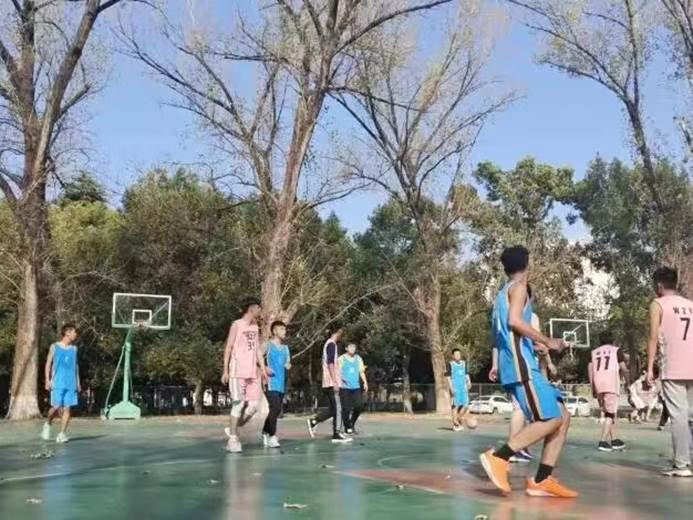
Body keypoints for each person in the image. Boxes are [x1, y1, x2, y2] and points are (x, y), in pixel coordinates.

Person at [480, 245, 576, 498]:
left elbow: (503, 335)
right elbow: (514, 321)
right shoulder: (519, 287)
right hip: (521, 365)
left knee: (563, 415)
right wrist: (548, 341)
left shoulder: (502, 294)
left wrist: (532, 345)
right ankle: (499, 457)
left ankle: (542, 479)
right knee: (551, 419)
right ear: (527, 263)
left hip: (518, 361)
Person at [645, 267, 693, 477]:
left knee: (679, 416)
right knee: (690, 415)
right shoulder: (690, 304)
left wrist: (649, 368)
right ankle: (685, 459)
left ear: (658, 285)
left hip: (673, 366)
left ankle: (682, 464)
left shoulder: (658, 304)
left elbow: (653, 337)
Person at [488, 309, 553, 463]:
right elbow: (537, 342)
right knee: (522, 408)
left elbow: (497, 343)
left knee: (522, 407)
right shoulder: (530, 316)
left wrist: (495, 365)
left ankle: (520, 447)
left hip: (506, 364)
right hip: (523, 364)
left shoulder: (499, 315)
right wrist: (548, 354)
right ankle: (512, 450)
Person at [222, 298, 269, 454]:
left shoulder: (255, 327)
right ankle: (233, 439)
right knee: (239, 404)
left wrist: (263, 368)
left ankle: (233, 428)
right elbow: (228, 347)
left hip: (252, 372)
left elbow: (257, 350)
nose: (260, 311)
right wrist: (225, 370)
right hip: (237, 371)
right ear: (251, 308)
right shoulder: (237, 325)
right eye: (258, 308)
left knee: (254, 406)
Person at [307, 325, 352, 443]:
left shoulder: (329, 344)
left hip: (328, 382)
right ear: (337, 331)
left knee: (332, 409)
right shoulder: (331, 344)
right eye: (341, 331)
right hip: (331, 382)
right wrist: (335, 381)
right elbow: (330, 363)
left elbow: (333, 365)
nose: (342, 334)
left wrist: (341, 378)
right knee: (338, 408)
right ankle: (336, 434)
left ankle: (314, 421)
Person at [588, 331, 628, 452]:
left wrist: (592, 387)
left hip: (598, 383)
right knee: (610, 414)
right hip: (611, 383)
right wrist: (628, 380)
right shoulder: (616, 350)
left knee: (607, 413)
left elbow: (590, 369)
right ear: (613, 340)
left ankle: (614, 439)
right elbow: (623, 368)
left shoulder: (594, 352)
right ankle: (602, 441)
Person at [41, 324, 80, 443]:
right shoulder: (54, 346)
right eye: (74, 332)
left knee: (67, 409)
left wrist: (78, 382)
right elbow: (48, 364)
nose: (76, 334)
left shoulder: (74, 349)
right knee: (56, 406)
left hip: (71, 383)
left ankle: (62, 434)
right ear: (67, 333)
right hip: (57, 382)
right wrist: (47, 380)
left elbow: (76, 366)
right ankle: (48, 423)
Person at [262, 320, 291, 449]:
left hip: (281, 383)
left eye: (285, 329)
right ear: (274, 331)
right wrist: (264, 368)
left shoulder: (285, 348)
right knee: (274, 407)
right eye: (282, 329)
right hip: (270, 382)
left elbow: (287, 362)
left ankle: (265, 430)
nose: (284, 332)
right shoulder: (267, 345)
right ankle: (272, 436)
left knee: (276, 410)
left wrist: (288, 365)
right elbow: (256, 358)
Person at [338, 343, 368, 435]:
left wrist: (365, 382)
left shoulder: (358, 358)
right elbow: (337, 371)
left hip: (356, 387)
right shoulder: (341, 358)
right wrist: (342, 378)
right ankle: (347, 427)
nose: (352, 349)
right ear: (346, 348)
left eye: (354, 347)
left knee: (359, 406)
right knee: (346, 409)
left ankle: (351, 423)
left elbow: (361, 372)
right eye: (350, 347)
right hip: (345, 387)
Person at [447, 348, 471, 432]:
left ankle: (458, 418)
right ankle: (455, 425)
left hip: (463, 388)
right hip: (455, 388)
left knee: (466, 405)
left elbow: (466, 373)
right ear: (453, 356)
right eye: (456, 354)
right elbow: (448, 377)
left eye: (459, 354)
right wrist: (451, 388)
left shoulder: (464, 363)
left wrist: (469, 382)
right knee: (455, 406)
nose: (458, 356)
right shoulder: (450, 364)